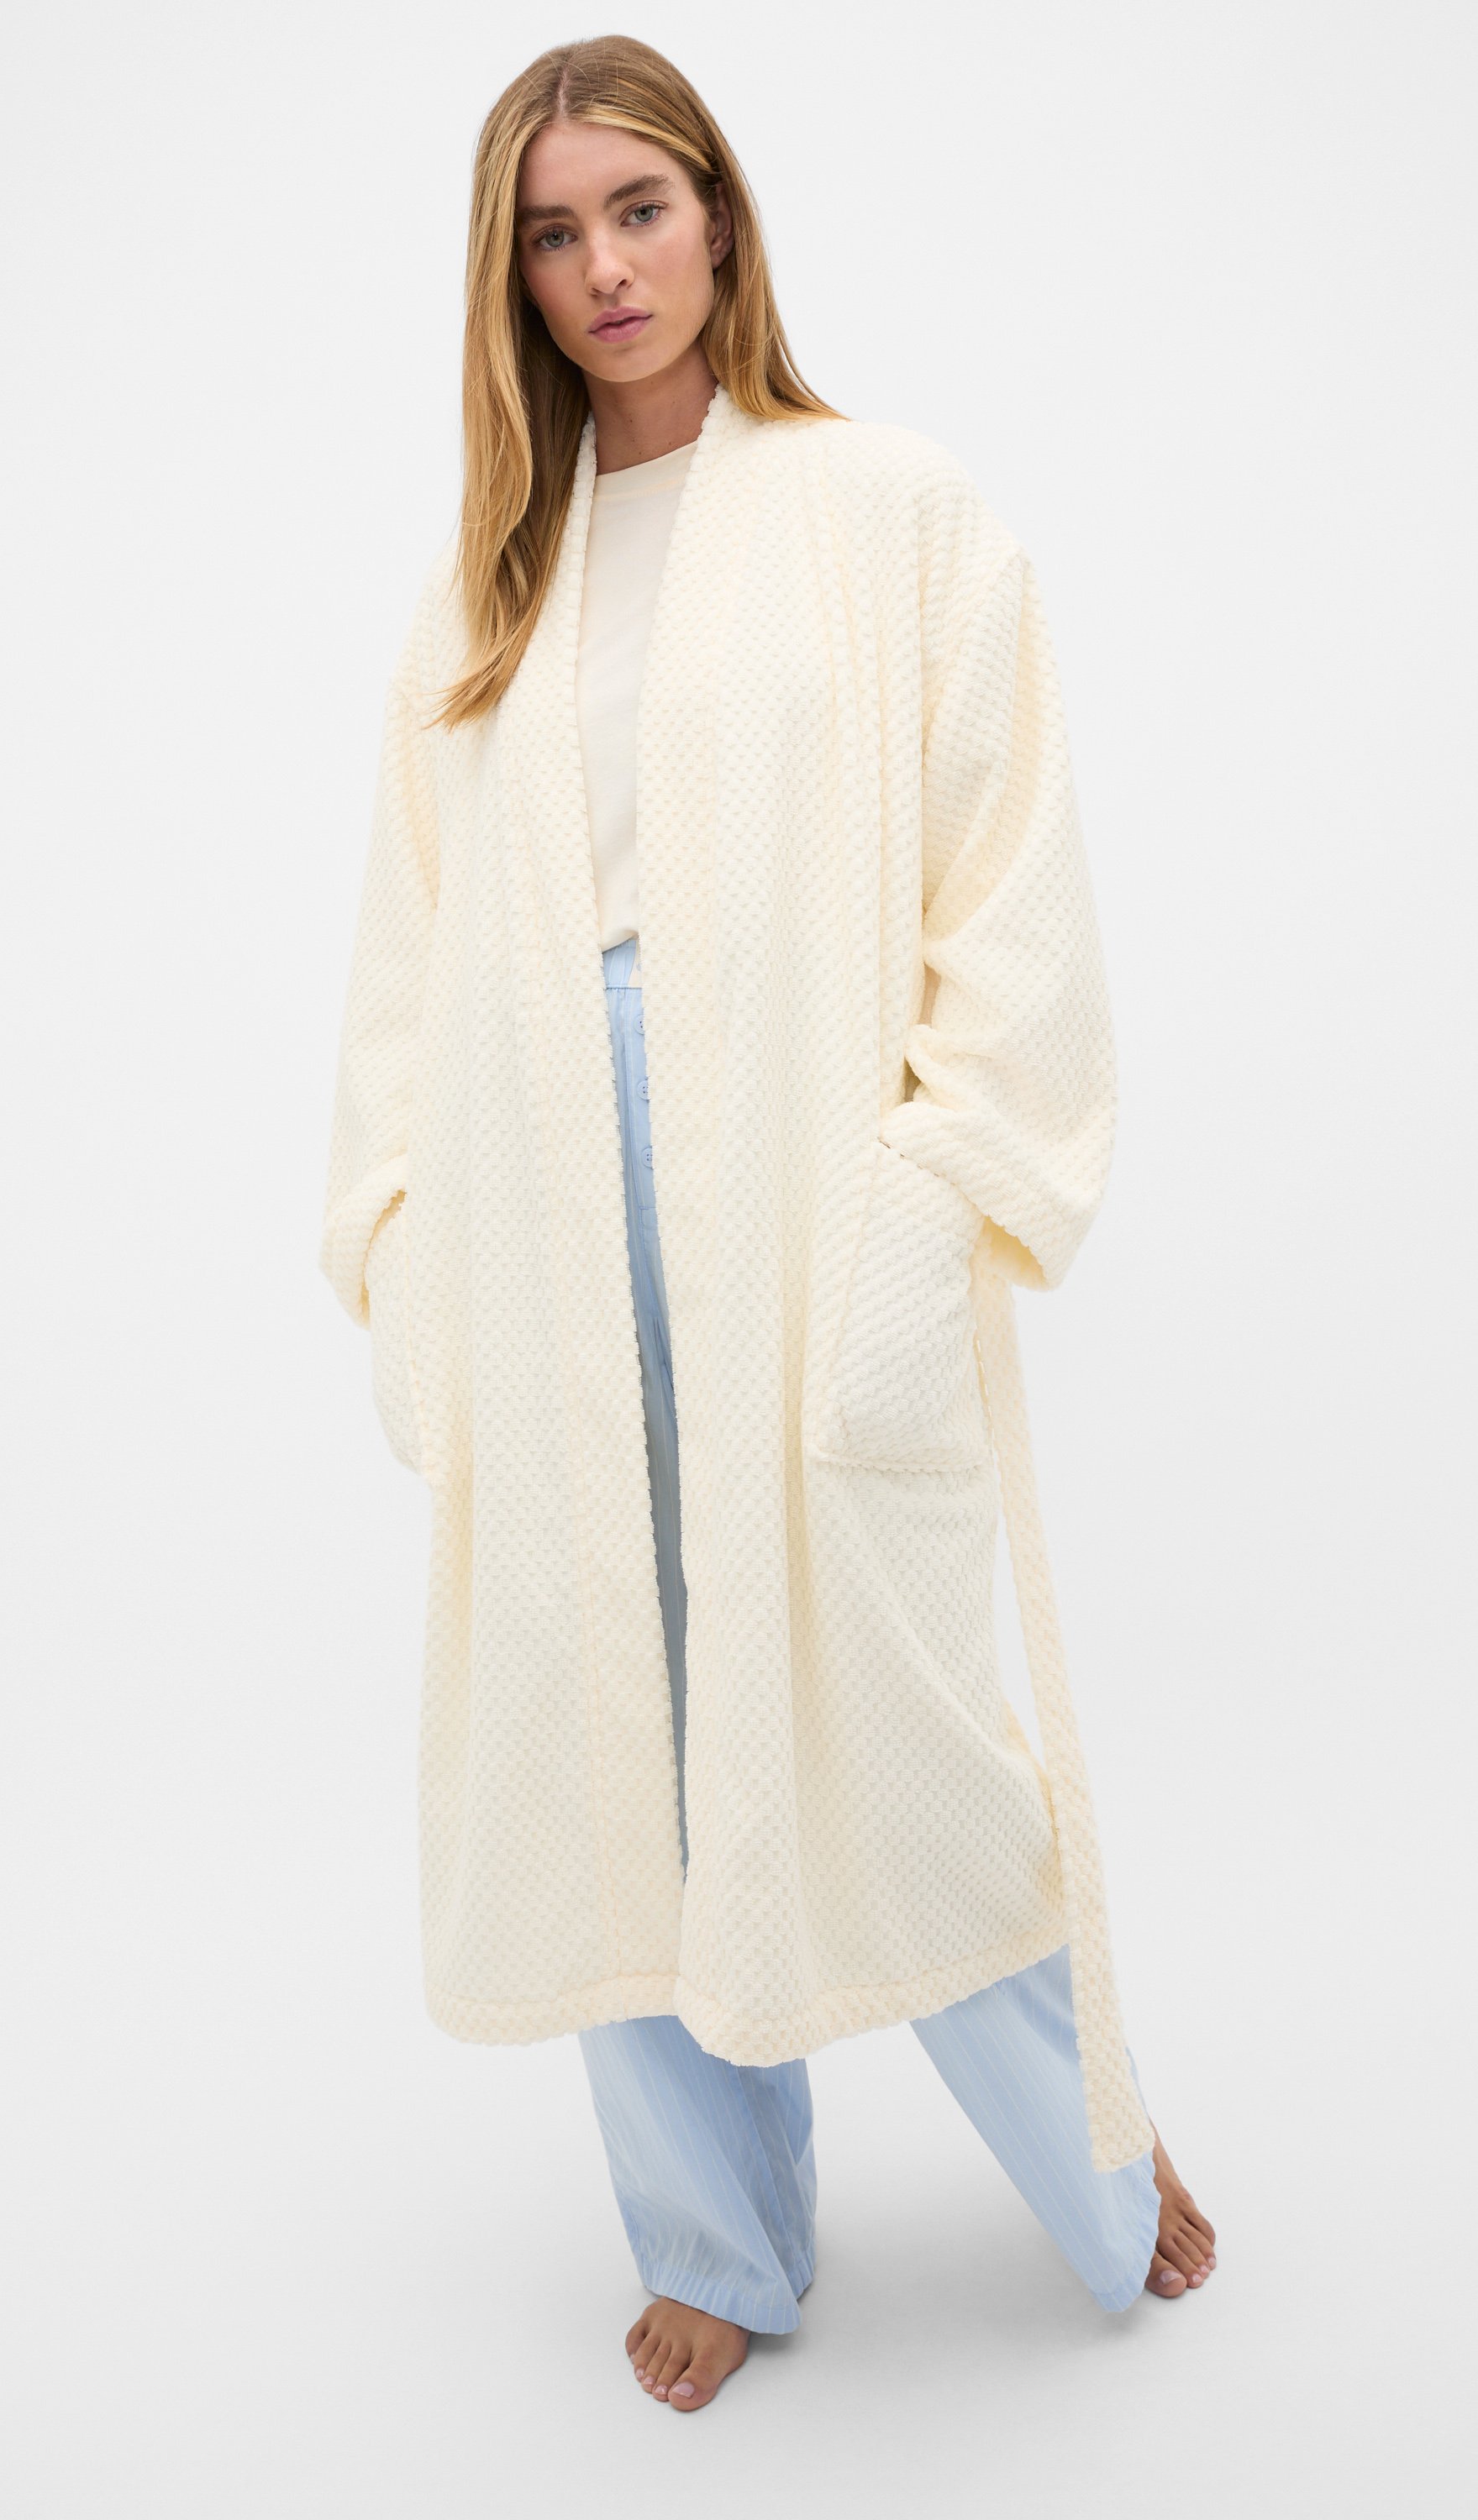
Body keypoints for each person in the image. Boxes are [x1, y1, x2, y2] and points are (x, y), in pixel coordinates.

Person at [319, 34, 1216, 2412]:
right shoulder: (487, 589)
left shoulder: (884, 508)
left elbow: (1008, 884)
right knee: (611, 1719)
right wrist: (402, 1245)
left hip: (803, 1161)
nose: (603, 267)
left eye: (638, 207)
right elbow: (407, 965)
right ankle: (712, 2233)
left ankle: (1096, 2133)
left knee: (876, 1703)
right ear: (510, 278)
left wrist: (940, 1191)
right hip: (537, 1180)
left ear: (720, 215)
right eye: (551, 231)